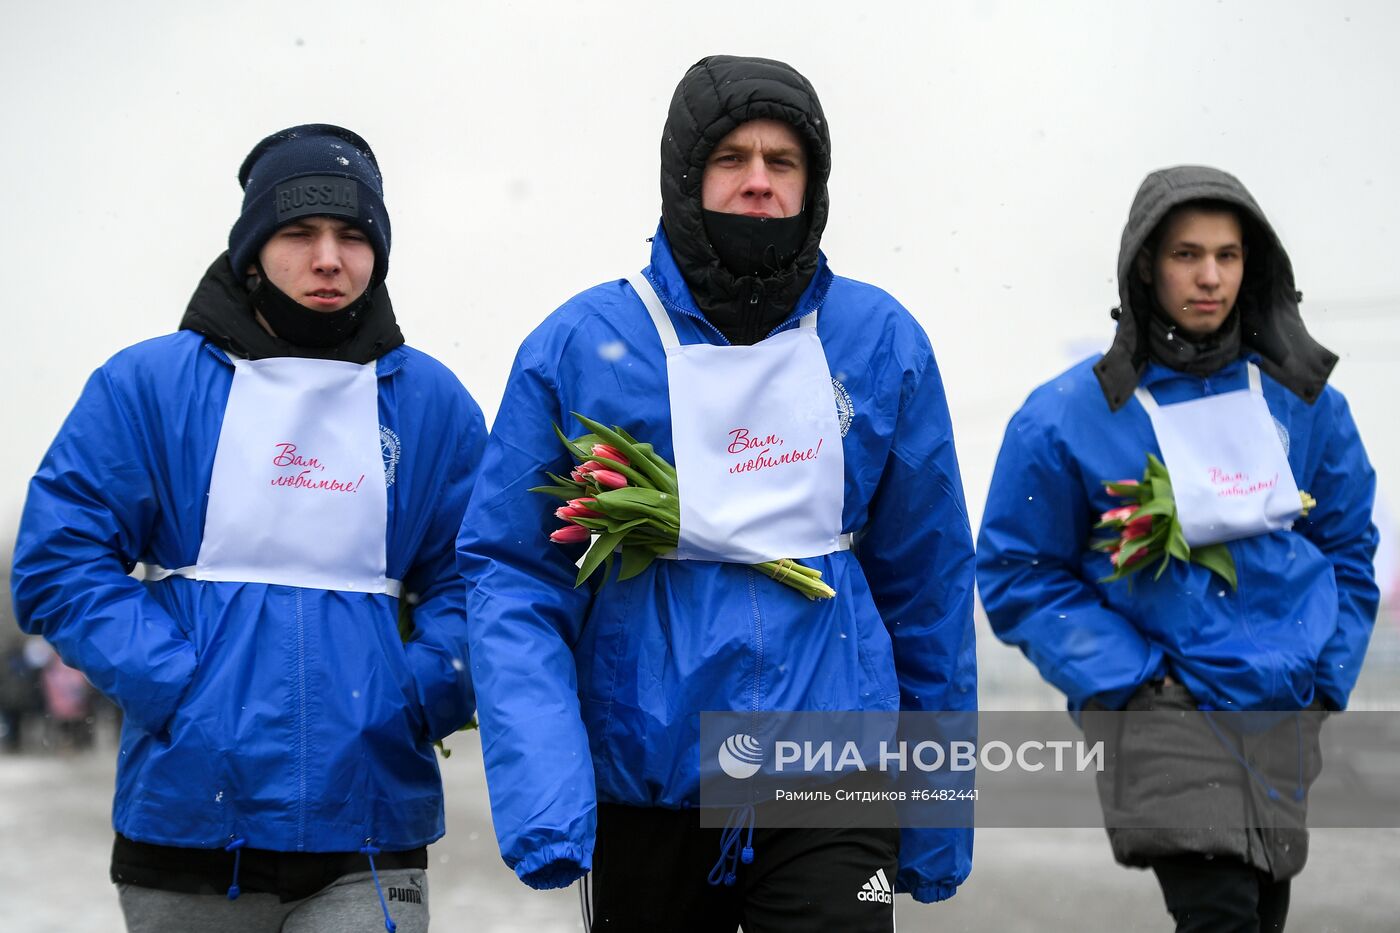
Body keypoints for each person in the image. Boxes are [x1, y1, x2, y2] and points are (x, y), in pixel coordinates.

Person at [458, 55, 976, 932]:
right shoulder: (583, 343)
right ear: (685, 176)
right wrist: (548, 787)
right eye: (733, 159)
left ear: (815, 185)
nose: (759, 183)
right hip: (648, 780)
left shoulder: (882, 340)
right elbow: (513, 577)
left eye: (785, 163)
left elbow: (927, 585)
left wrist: (936, 809)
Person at [12, 124, 486, 933]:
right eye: (299, 233)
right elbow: (60, 559)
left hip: (368, 825)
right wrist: (175, 683)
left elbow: (483, 574)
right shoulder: (148, 386)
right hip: (190, 822)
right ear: (253, 248)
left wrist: (421, 687)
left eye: (352, 236)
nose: (328, 258)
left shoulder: (430, 402)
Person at [976, 165, 1379, 932]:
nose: (1209, 276)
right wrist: (1132, 683)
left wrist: (1327, 681)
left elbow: (1349, 546)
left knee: (1259, 908)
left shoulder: (1304, 402)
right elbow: (1015, 568)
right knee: (1220, 910)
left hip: (1284, 706)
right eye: (1186, 254)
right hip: (1161, 711)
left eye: (1227, 256)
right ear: (1144, 266)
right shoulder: (1066, 415)